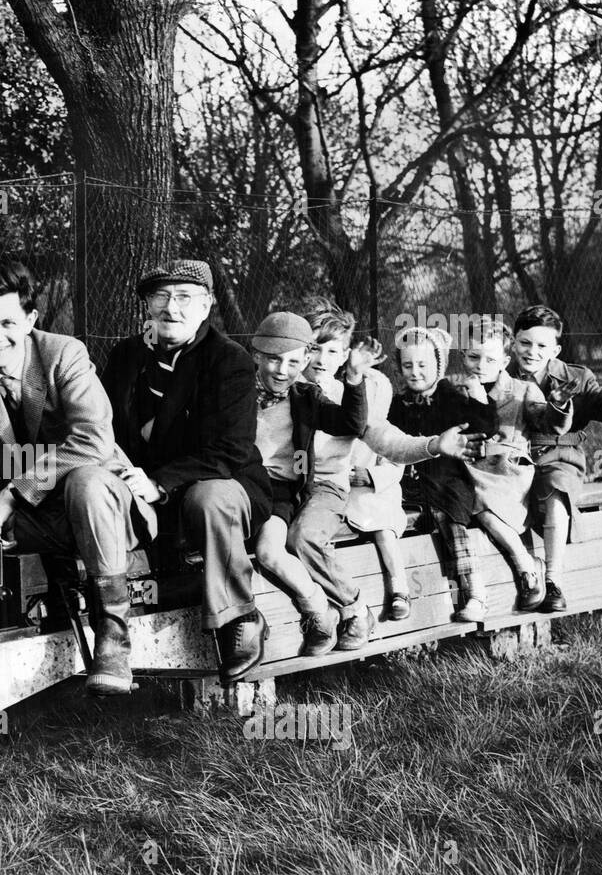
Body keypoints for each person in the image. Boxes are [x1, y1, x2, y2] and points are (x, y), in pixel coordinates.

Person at [0, 258, 151, 695]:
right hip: (30, 511)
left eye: (7, 323)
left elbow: (93, 439)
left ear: (31, 319)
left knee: (87, 480)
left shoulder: (64, 353)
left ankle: (113, 638)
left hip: (96, 508)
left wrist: (17, 492)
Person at [98, 260, 272, 684]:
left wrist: (159, 483)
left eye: (185, 297)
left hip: (222, 484)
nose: (171, 308)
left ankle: (240, 617)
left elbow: (231, 449)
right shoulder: (125, 356)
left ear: (208, 304)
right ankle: (106, 635)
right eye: (160, 296)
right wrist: (126, 473)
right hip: (138, 481)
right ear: (147, 305)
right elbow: (99, 425)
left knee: (207, 499)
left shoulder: (228, 361)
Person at [299, 303, 488, 627]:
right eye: (314, 349)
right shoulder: (283, 386)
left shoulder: (348, 394)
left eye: (332, 352)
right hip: (287, 487)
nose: (321, 359)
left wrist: (432, 445)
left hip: (340, 490)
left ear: (344, 356)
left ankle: (366, 606)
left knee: (349, 522)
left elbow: (387, 440)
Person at [507, 305, 602, 611]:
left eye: (542, 346)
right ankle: (516, 575)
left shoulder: (576, 378)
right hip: (510, 458)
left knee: (556, 491)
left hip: (559, 454)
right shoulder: (500, 374)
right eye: (525, 343)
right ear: (513, 342)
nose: (532, 352)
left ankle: (553, 581)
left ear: (555, 349)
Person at [248, 310, 368, 657]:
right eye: (273, 360)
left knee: (274, 549)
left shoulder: (306, 396)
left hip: (279, 491)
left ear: (304, 360)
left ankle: (334, 610)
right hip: (239, 487)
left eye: (293, 362)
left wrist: (356, 381)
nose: (282, 370)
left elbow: (350, 423)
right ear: (257, 356)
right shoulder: (236, 388)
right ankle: (309, 615)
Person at [459, 318, 573, 610]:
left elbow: (546, 421)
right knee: (468, 495)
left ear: (505, 360)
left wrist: (558, 405)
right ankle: (525, 562)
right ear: (463, 356)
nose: (480, 365)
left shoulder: (523, 390)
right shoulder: (456, 390)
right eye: (473, 356)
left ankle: (526, 567)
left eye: (490, 359)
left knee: (479, 501)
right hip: (472, 468)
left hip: (509, 471)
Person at [387, 327, 498, 622]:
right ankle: (401, 594)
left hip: (447, 480)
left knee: (450, 519)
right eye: (408, 365)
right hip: (409, 484)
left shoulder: (451, 397)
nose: (415, 372)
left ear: (438, 365)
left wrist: (478, 400)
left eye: (423, 365)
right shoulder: (397, 404)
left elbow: (484, 428)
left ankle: (475, 592)